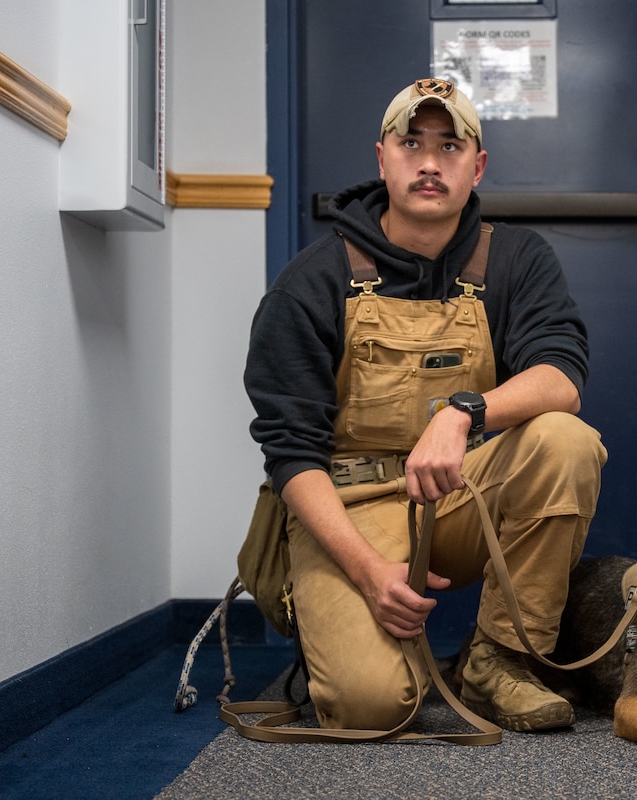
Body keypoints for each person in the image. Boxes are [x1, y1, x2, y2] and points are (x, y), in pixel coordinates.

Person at [244, 78, 606, 733]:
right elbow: (290, 454)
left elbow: (561, 379)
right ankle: (335, 634)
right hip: (347, 509)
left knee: (564, 439)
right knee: (370, 708)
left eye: (450, 145)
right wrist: (366, 569)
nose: (431, 162)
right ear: (382, 159)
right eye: (411, 143)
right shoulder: (311, 281)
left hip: (460, 493)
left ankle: (498, 662)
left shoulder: (517, 259)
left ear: (478, 165)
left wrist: (461, 413)